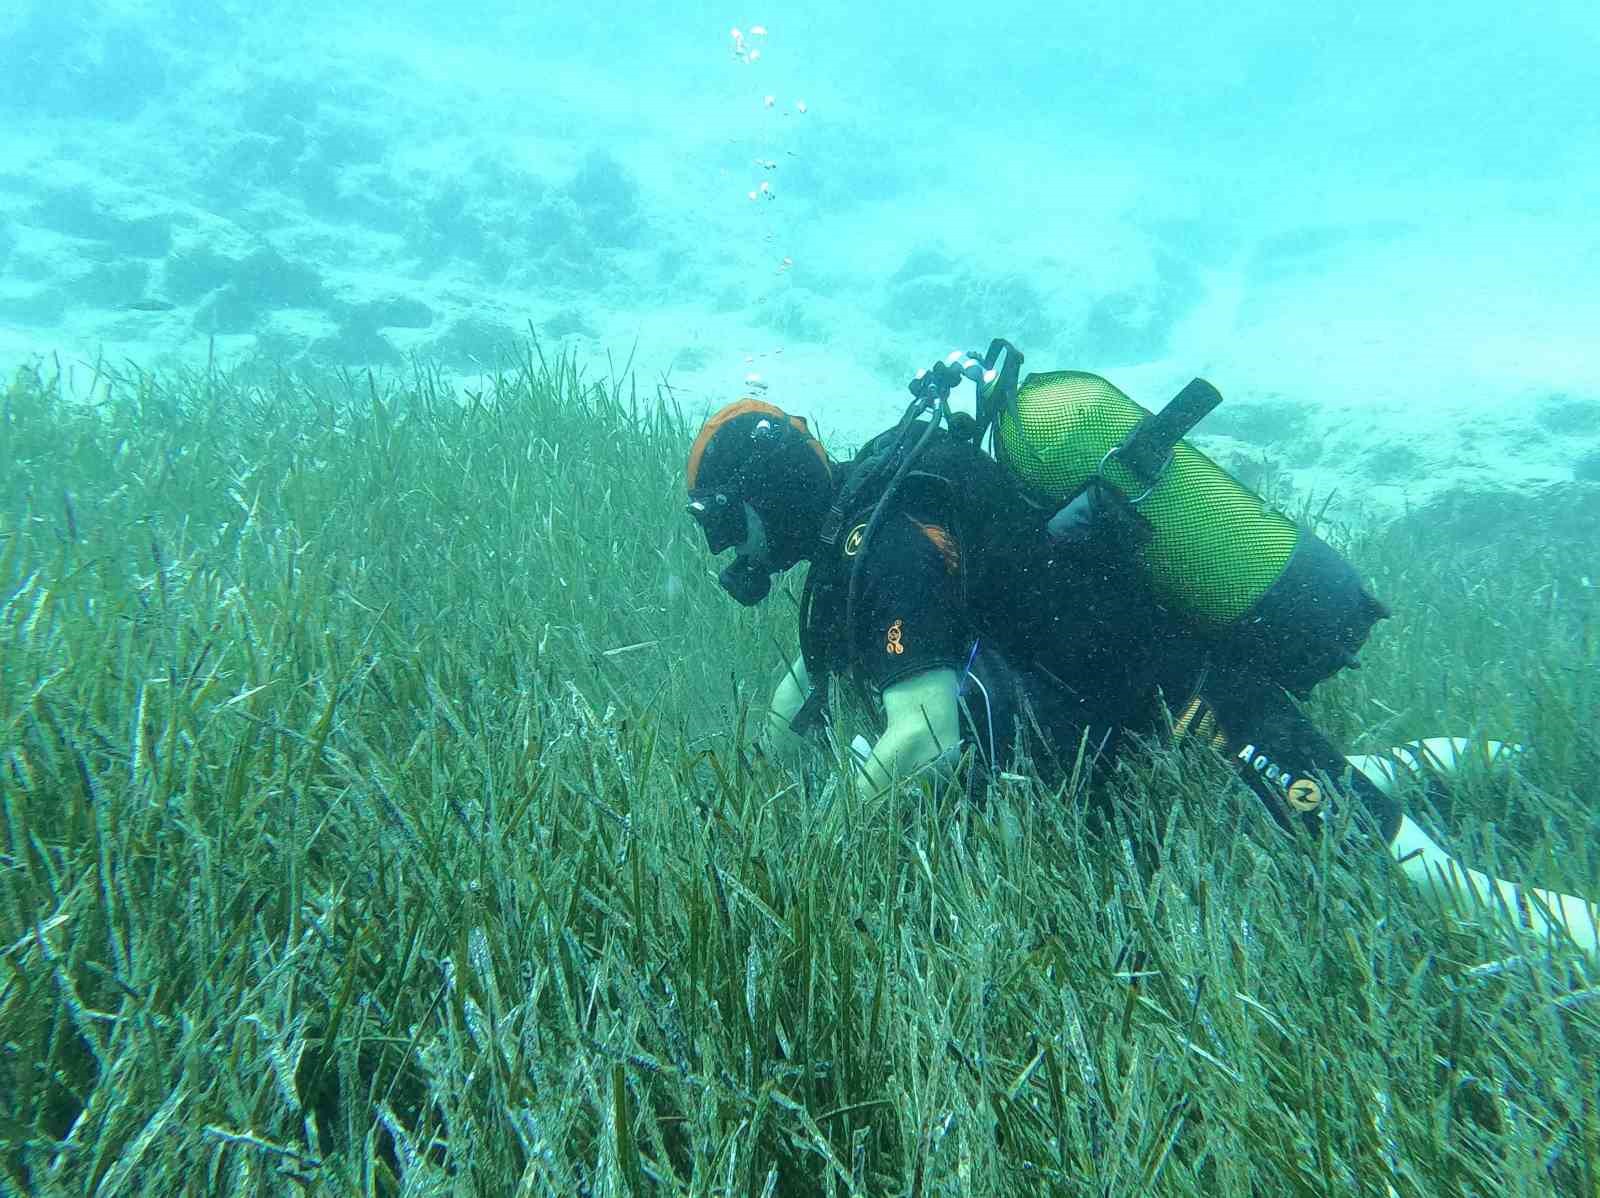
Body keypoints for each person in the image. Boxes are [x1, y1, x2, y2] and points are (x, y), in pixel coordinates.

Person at [683, 346, 1600, 956]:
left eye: (727, 524)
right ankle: (1485, 762)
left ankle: (1563, 914)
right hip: (1138, 717)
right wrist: (771, 749)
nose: (736, 552)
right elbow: (813, 674)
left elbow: (922, 734)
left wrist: (800, 867)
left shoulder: (882, 540)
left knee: (1423, 877)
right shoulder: (877, 511)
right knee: (1276, 805)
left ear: (763, 493)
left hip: (1189, 697)